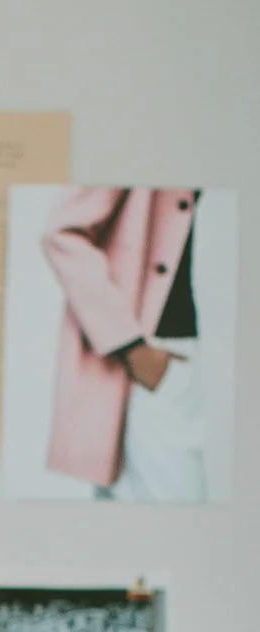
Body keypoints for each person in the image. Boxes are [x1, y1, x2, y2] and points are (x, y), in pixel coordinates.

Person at [41, 186, 207, 501]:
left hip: (178, 355)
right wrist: (131, 347)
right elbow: (61, 232)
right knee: (173, 514)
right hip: (152, 357)